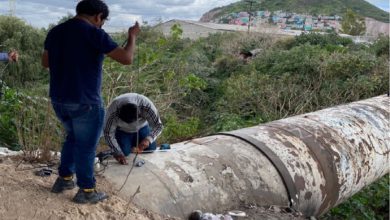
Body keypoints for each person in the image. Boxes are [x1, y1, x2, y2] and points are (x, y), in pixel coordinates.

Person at [41, 0, 140, 204]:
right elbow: (127, 58)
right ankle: (87, 190)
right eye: (102, 21)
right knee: (86, 147)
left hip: (59, 99)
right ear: (98, 17)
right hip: (86, 102)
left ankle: (64, 179)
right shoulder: (94, 33)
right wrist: (132, 37)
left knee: (72, 138)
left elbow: (45, 63)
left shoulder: (55, 32)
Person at [104, 93, 163, 165]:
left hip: (142, 127)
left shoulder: (146, 105)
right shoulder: (112, 111)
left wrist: (148, 139)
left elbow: (159, 126)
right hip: (123, 130)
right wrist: (117, 152)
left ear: (139, 113)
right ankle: (128, 145)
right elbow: (108, 133)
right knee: (123, 153)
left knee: (151, 148)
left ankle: (131, 144)